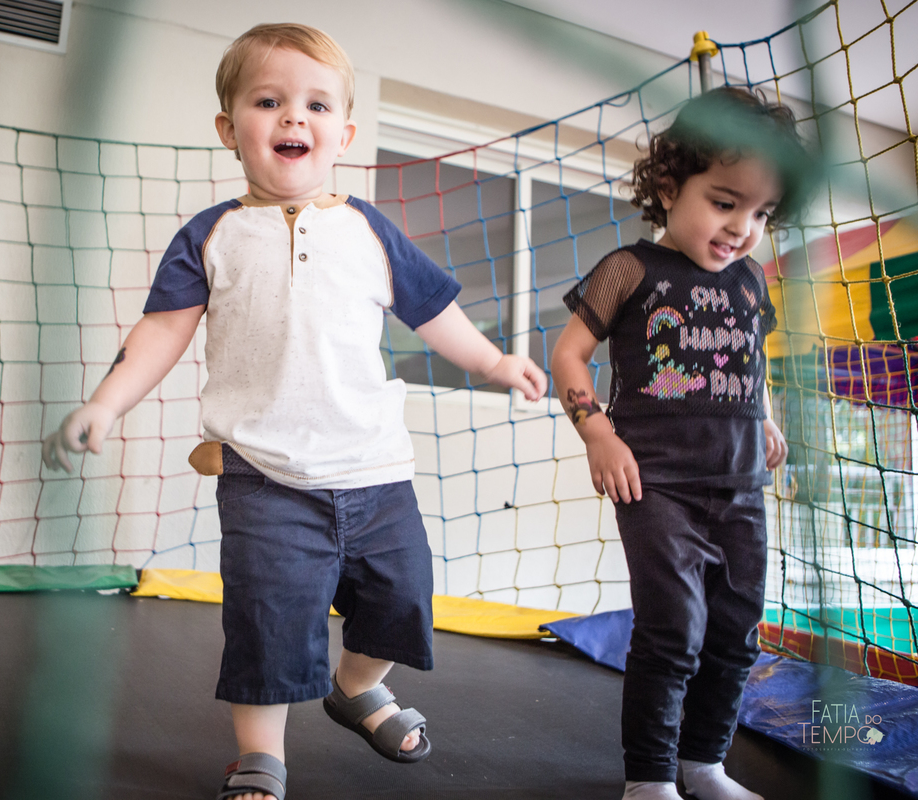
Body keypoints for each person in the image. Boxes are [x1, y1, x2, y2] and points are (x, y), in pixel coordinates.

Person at [42, 22, 547, 800]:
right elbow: (162, 332)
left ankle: (354, 689)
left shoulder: (368, 231)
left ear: (342, 134)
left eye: (315, 105)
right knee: (268, 619)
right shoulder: (212, 236)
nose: (292, 118)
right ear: (228, 128)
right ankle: (262, 754)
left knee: (401, 602)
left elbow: (432, 309)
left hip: (376, 471)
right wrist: (106, 401)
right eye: (268, 101)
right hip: (265, 475)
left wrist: (491, 360)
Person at [551, 86, 812, 800]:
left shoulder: (752, 279)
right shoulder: (630, 270)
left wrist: (763, 417)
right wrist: (597, 431)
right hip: (656, 483)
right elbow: (569, 355)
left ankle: (704, 764)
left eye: (760, 213)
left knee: (736, 631)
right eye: (725, 203)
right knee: (674, 629)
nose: (742, 228)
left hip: (738, 486)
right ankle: (651, 778)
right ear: (670, 187)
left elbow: (743, 362)